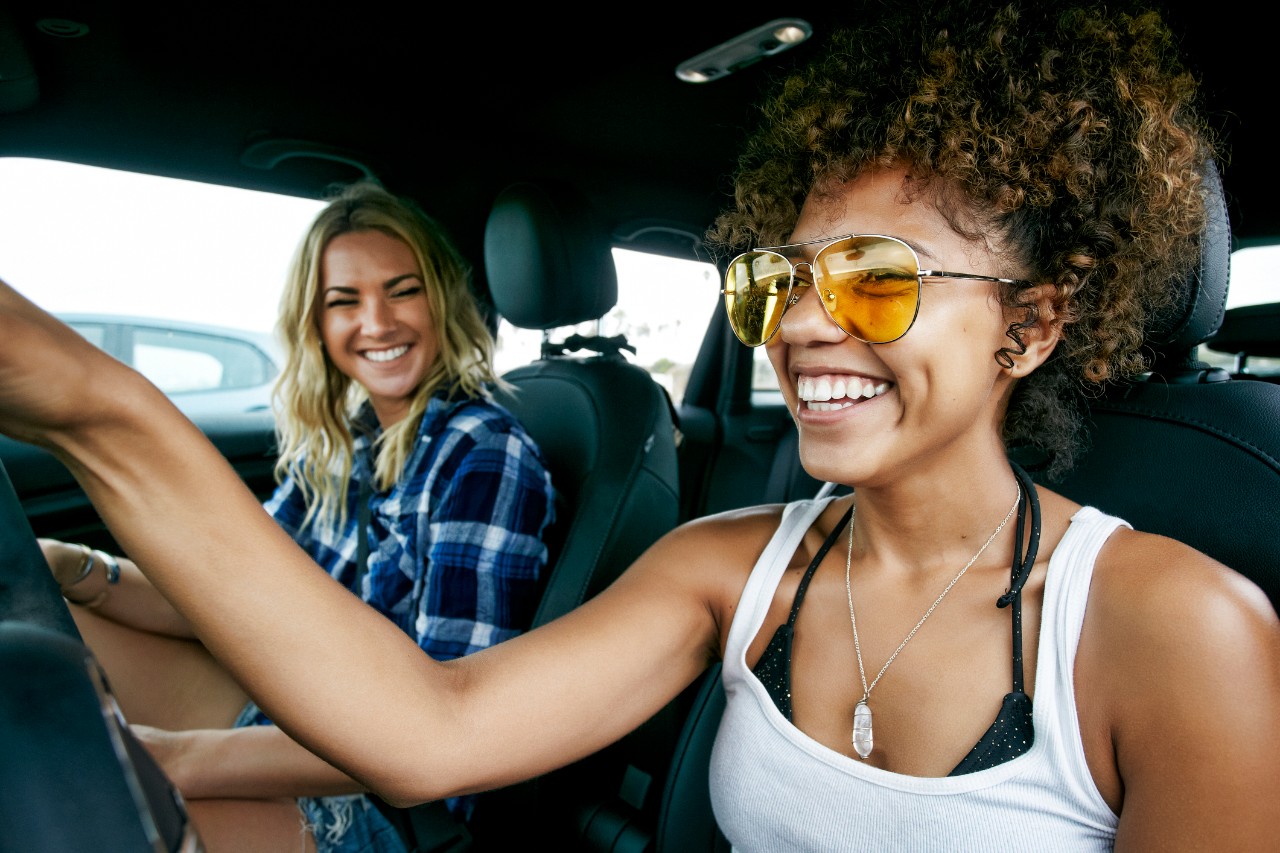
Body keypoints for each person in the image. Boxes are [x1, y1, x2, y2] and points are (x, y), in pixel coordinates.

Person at [1, 1, 1277, 849]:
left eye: (876, 277)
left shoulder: (1174, 631)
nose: (803, 327)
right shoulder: (731, 566)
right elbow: (427, 731)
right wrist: (99, 412)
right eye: (778, 279)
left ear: (1030, 326)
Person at [33, 180, 557, 853]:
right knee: (42, 640)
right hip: (298, 715)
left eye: (402, 290)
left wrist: (184, 757)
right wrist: (78, 569)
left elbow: (447, 729)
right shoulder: (347, 441)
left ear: (442, 300)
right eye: (345, 301)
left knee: (88, 813)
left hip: (380, 794)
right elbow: (225, 596)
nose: (377, 323)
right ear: (316, 320)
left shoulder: (485, 452)